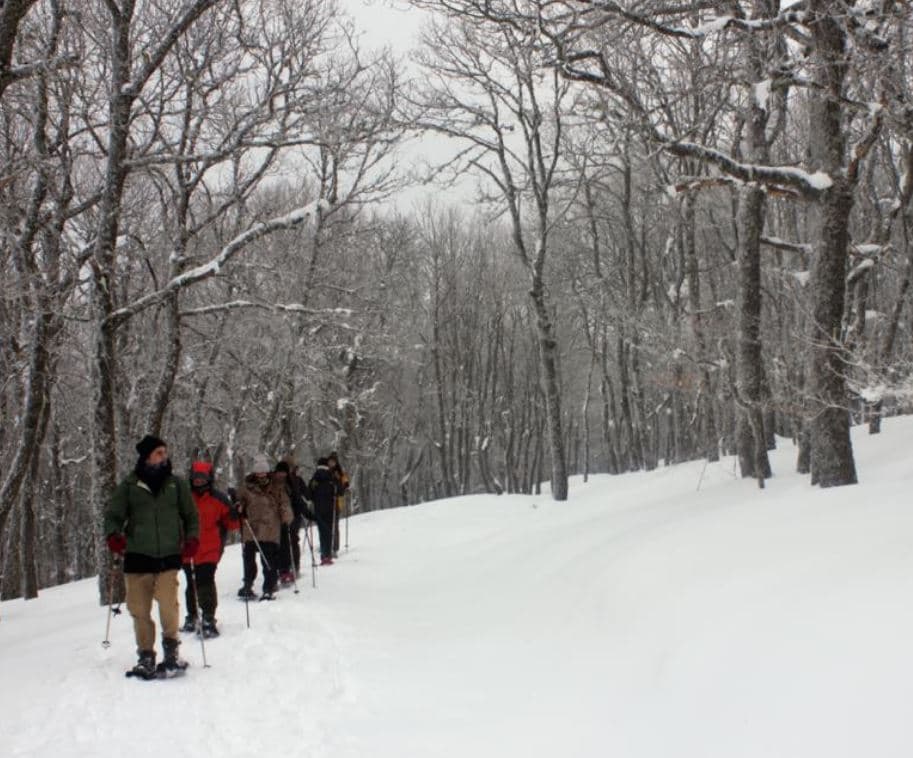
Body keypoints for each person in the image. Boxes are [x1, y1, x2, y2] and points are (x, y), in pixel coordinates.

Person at [104, 434, 199, 678]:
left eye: (164, 452)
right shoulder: (129, 486)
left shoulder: (176, 485)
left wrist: (192, 538)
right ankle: (146, 655)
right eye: (159, 452)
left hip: (168, 555)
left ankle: (171, 650)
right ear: (147, 456)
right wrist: (113, 534)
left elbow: (190, 515)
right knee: (139, 609)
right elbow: (113, 515)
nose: (164, 456)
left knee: (169, 603)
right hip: (137, 556)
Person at [181, 460, 238, 637]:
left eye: (202, 478)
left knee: (205, 581)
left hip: (209, 548)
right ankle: (192, 615)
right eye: (196, 478)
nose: (198, 481)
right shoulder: (183, 497)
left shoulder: (218, 499)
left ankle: (208, 616)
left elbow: (232, 524)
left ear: (209, 478)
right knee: (191, 583)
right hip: (187, 548)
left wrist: (236, 514)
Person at [236, 454, 292, 600]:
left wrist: (286, 515)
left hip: (270, 528)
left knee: (269, 560)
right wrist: (239, 507)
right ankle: (247, 584)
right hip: (251, 528)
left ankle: (269, 587)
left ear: (267, 471)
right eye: (258, 471)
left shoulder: (276, 486)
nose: (260, 474)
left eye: (263, 471)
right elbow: (239, 500)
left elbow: (284, 503)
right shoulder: (246, 487)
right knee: (248, 559)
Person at [274, 457, 311, 585]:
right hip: (280, 516)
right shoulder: (276, 481)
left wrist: (305, 511)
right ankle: (283, 569)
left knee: (293, 540)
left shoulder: (296, 480)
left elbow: (301, 497)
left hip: (294, 514)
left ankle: (294, 566)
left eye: (291, 467)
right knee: (282, 543)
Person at [308, 457, 339, 565]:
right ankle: (328, 555)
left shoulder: (314, 478)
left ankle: (323, 555)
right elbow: (339, 491)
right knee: (329, 531)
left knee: (322, 531)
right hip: (330, 508)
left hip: (318, 508)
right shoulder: (331, 477)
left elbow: (309, 494)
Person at [326, 451, 350, 557]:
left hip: (337, 501)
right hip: (327, 501)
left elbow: (345, 483)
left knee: (334, 525)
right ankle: (328, 545)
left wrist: (343, 485)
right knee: (328, 524)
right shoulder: (325, 471)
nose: (332, 463)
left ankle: (334, 547)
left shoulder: (339, 472)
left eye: (333, 461)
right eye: (330, 461)